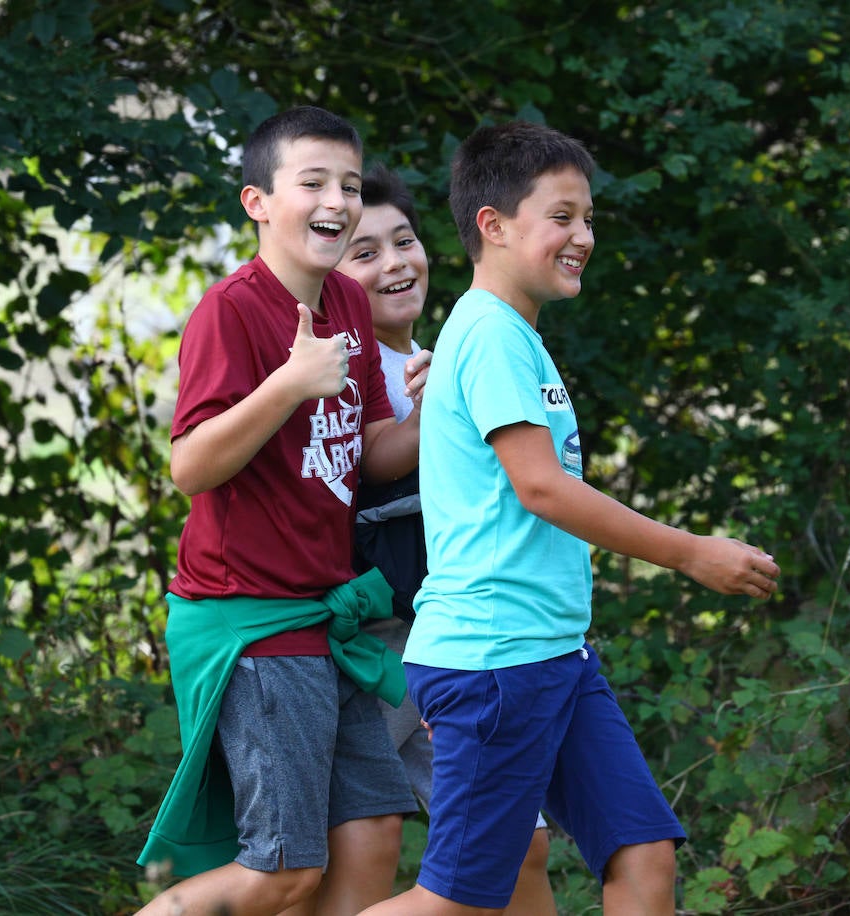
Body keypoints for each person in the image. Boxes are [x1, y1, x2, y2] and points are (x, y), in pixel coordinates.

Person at [357, 122, 781, 916]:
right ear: (493, 225)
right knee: (454, 902)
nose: (582, 236)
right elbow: (541, 488)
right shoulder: (485, 334)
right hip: (494, 663)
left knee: (643, 855)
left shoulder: (513, 336)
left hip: (556, 654)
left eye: (587, 218)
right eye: (561, 217)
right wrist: (689, 553)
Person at [135, 106, 426, 916]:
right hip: (253, 621)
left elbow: (371, 452)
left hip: (324, 620)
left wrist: (440, 412)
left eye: (348, 184)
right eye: (312, 183)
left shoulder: (349, 303)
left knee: (372, 837)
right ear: (257, 201)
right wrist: (288, 384)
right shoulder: (233, 309)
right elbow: (189, 467)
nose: (336, 200)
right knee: (283, 872)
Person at [336, 164, 556, 916]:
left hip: (460, 637)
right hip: (385, 641)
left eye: (405, 240)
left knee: (518, 844)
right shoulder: (339, 373)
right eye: (365, 253)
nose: (396, 262)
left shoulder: (442, 353)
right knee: (357, 850)